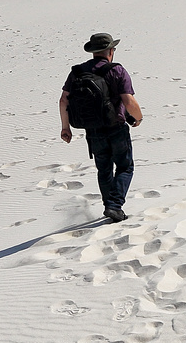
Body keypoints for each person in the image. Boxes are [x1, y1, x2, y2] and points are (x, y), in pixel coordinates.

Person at [60, 32, 143, 222]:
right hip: (117, 128)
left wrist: (66, 128)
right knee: (125, 167)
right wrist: (138, 118)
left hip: (93, 131)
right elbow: (129, 101)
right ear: (110, 51)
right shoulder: (117, 70)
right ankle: (114, 206)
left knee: (104, 169)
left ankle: (110, 206)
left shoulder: (77, 72)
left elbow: (63, 99)